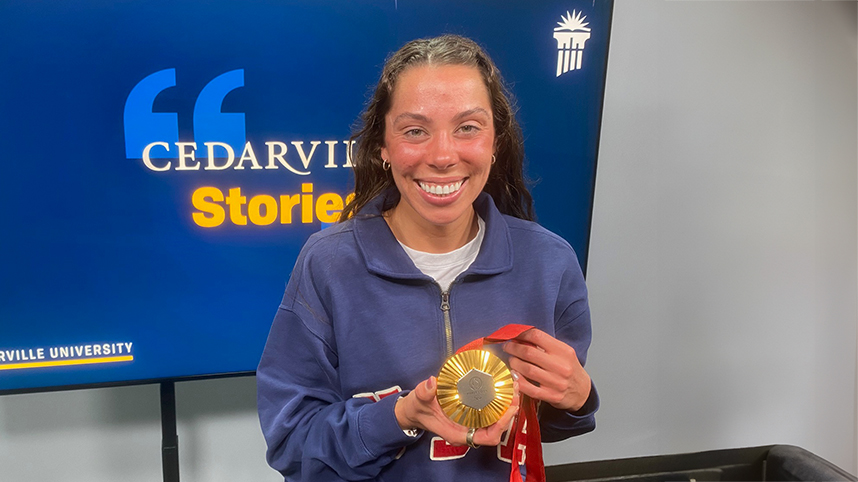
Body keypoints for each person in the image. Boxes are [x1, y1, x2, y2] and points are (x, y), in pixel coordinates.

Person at [257, 34, 598, 482]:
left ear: (495, 142)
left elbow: (544, 425)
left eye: (468, 127)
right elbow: (293, 446)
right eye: (415, 130)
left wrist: (577, 398)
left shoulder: (550, 262)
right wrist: (399, 417)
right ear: (383, 144)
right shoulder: (328, 264)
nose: (441, 155)